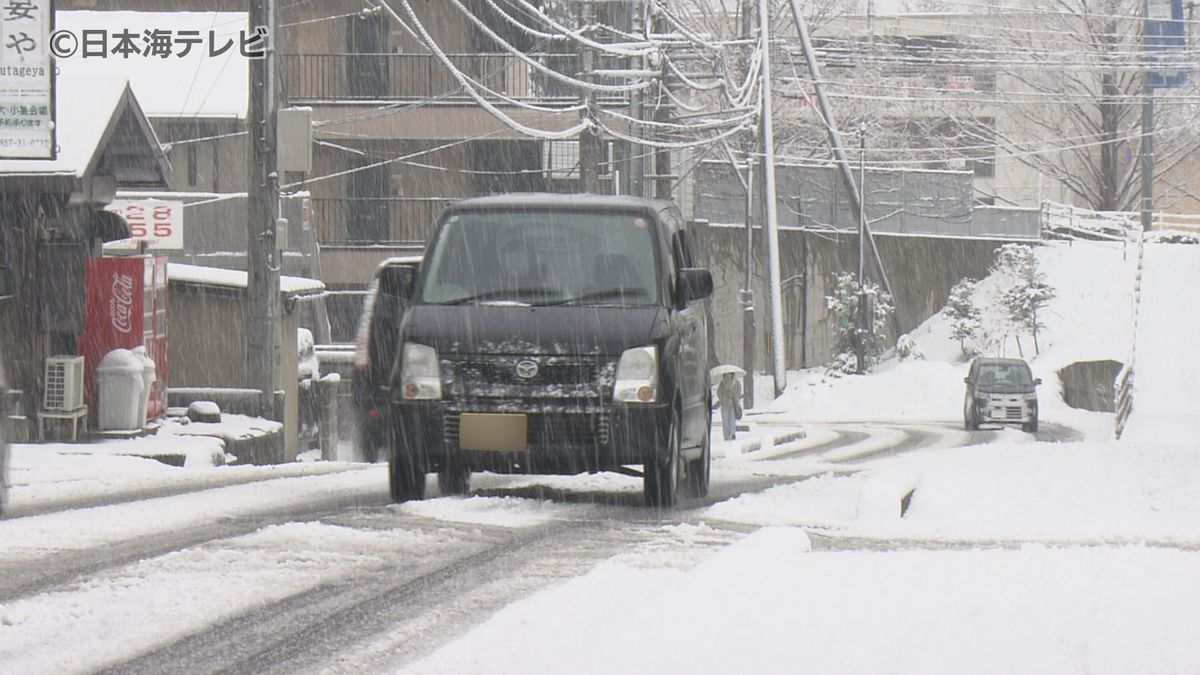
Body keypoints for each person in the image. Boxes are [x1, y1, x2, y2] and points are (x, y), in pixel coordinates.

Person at [716, 371, 742, 441]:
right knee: (725, 420)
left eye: (730, 374)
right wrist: (723, 398)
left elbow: (739, 392)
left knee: (732, 420)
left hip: (733, 404)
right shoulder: (722, 383)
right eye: (727, 374)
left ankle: (732, 433)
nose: (728, 375)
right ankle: (726, 435)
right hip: (724, 404)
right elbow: (718, 393)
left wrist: (734, 397)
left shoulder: (736, 383)